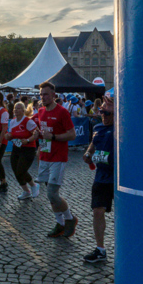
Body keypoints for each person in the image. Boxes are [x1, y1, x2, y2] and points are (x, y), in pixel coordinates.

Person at [35, 81, 77, 237]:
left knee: (52, 193)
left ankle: (70, 218)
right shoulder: (40, 111)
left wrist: (53, 136)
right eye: (41, 94)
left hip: (58, 157)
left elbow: (72, 134)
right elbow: (42, 132)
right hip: (45, 156)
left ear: (53, 95)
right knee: (50, 195)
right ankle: (60, 224)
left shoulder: (62, 112)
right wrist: (37, 135)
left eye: (46, 94)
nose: (43, 97)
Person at [82, 92, 114, 262]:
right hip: (101, 177)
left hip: (119, 179)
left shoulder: (121, 128)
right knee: (97, 211)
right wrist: (88, 153)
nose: (103, 115)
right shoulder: (98, 128)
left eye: (107, 112)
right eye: (101, 111)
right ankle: (100, 249)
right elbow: (93, 144)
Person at [5, 101, 40, 199]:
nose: (16, 110)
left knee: (21, 170)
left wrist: (28, 140)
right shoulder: (12, 121)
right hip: (16, 148)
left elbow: (37, 133)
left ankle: (34, 185)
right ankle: (26, 191)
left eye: (19, 108)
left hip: (28, 149)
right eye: (15, 108)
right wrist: (8, 136)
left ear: (23, 110)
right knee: (15, 170)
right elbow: (11, 134)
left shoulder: (27, 121)